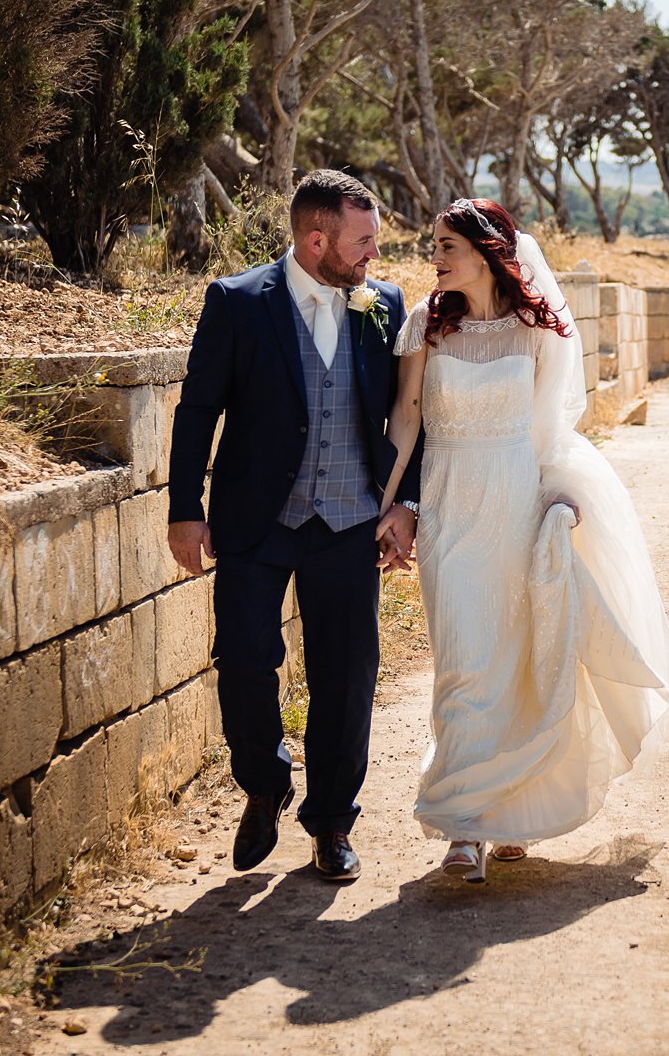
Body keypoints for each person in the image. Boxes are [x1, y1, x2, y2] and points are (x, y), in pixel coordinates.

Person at [377, 198, 669, 883]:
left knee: (515, 661)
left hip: (516, 503)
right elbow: (405, 418)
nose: (435, 256)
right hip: (452, 506)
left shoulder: (536, 327)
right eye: (434, 244)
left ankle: (506, 815)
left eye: (447, 244)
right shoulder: (427, 325)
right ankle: (462, 825)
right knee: (463, 660)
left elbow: (550, 426)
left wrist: (558, 498)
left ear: (485, 251)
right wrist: (388, 501)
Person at [165, 170, 421, 883]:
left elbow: (412, 415)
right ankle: (264, 780)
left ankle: (332, 820)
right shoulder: (239, 302)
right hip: (258, 518)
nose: (375, 255)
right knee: (244, 661)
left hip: (348, 520)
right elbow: (197, 410)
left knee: (346, 675)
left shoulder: (383, 304)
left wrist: (406, 504)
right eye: (363, 241)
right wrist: (185, 507)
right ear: (317, 241)